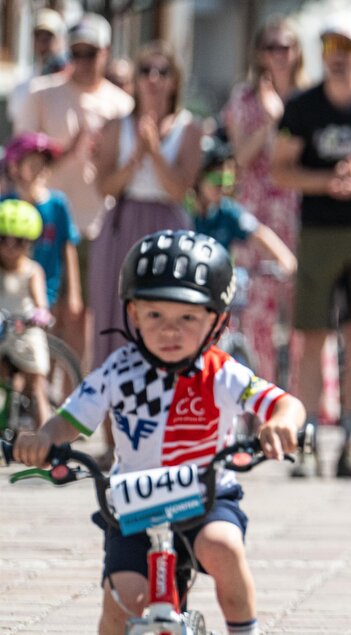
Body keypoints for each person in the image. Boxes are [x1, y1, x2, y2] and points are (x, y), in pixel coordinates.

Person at [11, 229, 304, 635]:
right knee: (121, 599)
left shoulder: (221, 372)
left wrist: (280, 425)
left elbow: (288, 405)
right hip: (134, 502)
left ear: (217, 320)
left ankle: (244, 629)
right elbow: (70, 419)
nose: (170, 331)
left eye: (187, 318)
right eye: (155, 316)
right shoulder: (118, 372)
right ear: (132, 314)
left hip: (207, 497)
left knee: (223, 547)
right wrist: (43, 439)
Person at [271, 12, 351, 479]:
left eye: (346, 47)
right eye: (330, 47)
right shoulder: (302, 105)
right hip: (319, 230)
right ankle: (305, 443)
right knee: (312, 337)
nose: (338, 56)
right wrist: (328, 181)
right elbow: (281, 169)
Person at [15, 13, 134, 366]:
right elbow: (20, 157)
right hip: (42, 222)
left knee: (83, 316)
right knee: (38, 309)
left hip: (97, 225)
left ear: (106, 53)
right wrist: (66, 151)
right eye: (76, 52)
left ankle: (70, 399)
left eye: (90, 52)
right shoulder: (41, 94)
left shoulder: (122, 106)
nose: (82, 61)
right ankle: (36, 396)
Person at [90, 40, 201, 371]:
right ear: (136, 79)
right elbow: (105, 187)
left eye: (162, 72)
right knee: (115, 311)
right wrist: (135, 158)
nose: (153, 79)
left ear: (174, 80)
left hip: (168, 226)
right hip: (123, 222)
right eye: (146, 71)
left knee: (166, 312)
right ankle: (112, 411)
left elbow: (179, 189)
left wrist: (154, 151)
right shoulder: (116, 126)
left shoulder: (189, 128)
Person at [223, 15, 306, 383]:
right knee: (254, 309)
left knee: (304, 310)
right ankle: (257, 393)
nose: (278, 54)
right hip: (257, 210)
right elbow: (238, 159)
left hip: (301, 208)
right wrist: (272, 121)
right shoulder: (244, 97)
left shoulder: (309, 97)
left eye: (285, 46)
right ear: (259, 53)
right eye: (270, 47)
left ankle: (306, 400)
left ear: (297, 52)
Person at [1, 133, 81, 320]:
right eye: (32, 164)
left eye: (43, 164)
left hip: (47, 288)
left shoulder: (57, 205)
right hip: (7, 290)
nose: (39, 170)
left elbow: (67, 247)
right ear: (14, 167)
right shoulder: (5, 205)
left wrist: (73, 293)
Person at [189, 142, 296, 274]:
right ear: (199, 178)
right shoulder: (182, 212)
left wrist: (284, 258)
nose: (223, 187)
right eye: (217, 179)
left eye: (228, 180)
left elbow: (259, 232)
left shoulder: (226, 211)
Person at [0, 199, 53, 427]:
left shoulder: (32, 270)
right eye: (4, 240)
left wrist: (41, 314)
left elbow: (41, 302)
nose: (10, 247)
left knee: (37, 387)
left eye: (19, 242)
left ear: (29, 243)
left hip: (27, 331)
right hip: (3, 333)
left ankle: (48, 439)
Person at [5, 8, 69, 127]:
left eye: (49, 36)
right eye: (38, 35)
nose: (43, 41)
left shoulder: (70, 80)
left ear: (61, 39)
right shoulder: (22, 81)